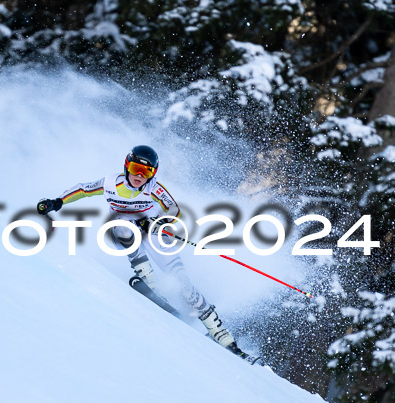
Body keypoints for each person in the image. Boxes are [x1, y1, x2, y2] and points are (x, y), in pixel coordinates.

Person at [37, 145, 249, 358]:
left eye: (146, 172)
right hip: (124, 231)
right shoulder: (111, 183)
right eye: (136, 168)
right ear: (127, 165)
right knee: (122, 223)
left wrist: (156, 221)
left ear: (153, 174)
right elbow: (83, 189)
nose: (139, 176)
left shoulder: (155, 188)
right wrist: (57, 201)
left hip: (154, 234)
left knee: (183, 283)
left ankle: (221, 335)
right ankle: (151, 282)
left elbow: (174, 210)